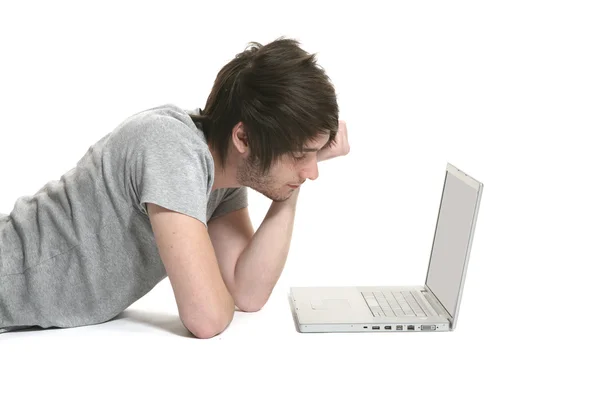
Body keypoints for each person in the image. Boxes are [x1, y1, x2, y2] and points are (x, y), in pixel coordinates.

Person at [0, 37, 350, 338]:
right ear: (243, 137)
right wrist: (211, 291)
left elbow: (247, 292)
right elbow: (206, 317)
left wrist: (297, 177)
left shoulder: (220, 176)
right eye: (300, 154)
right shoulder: (172, 147)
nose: (313, 171)